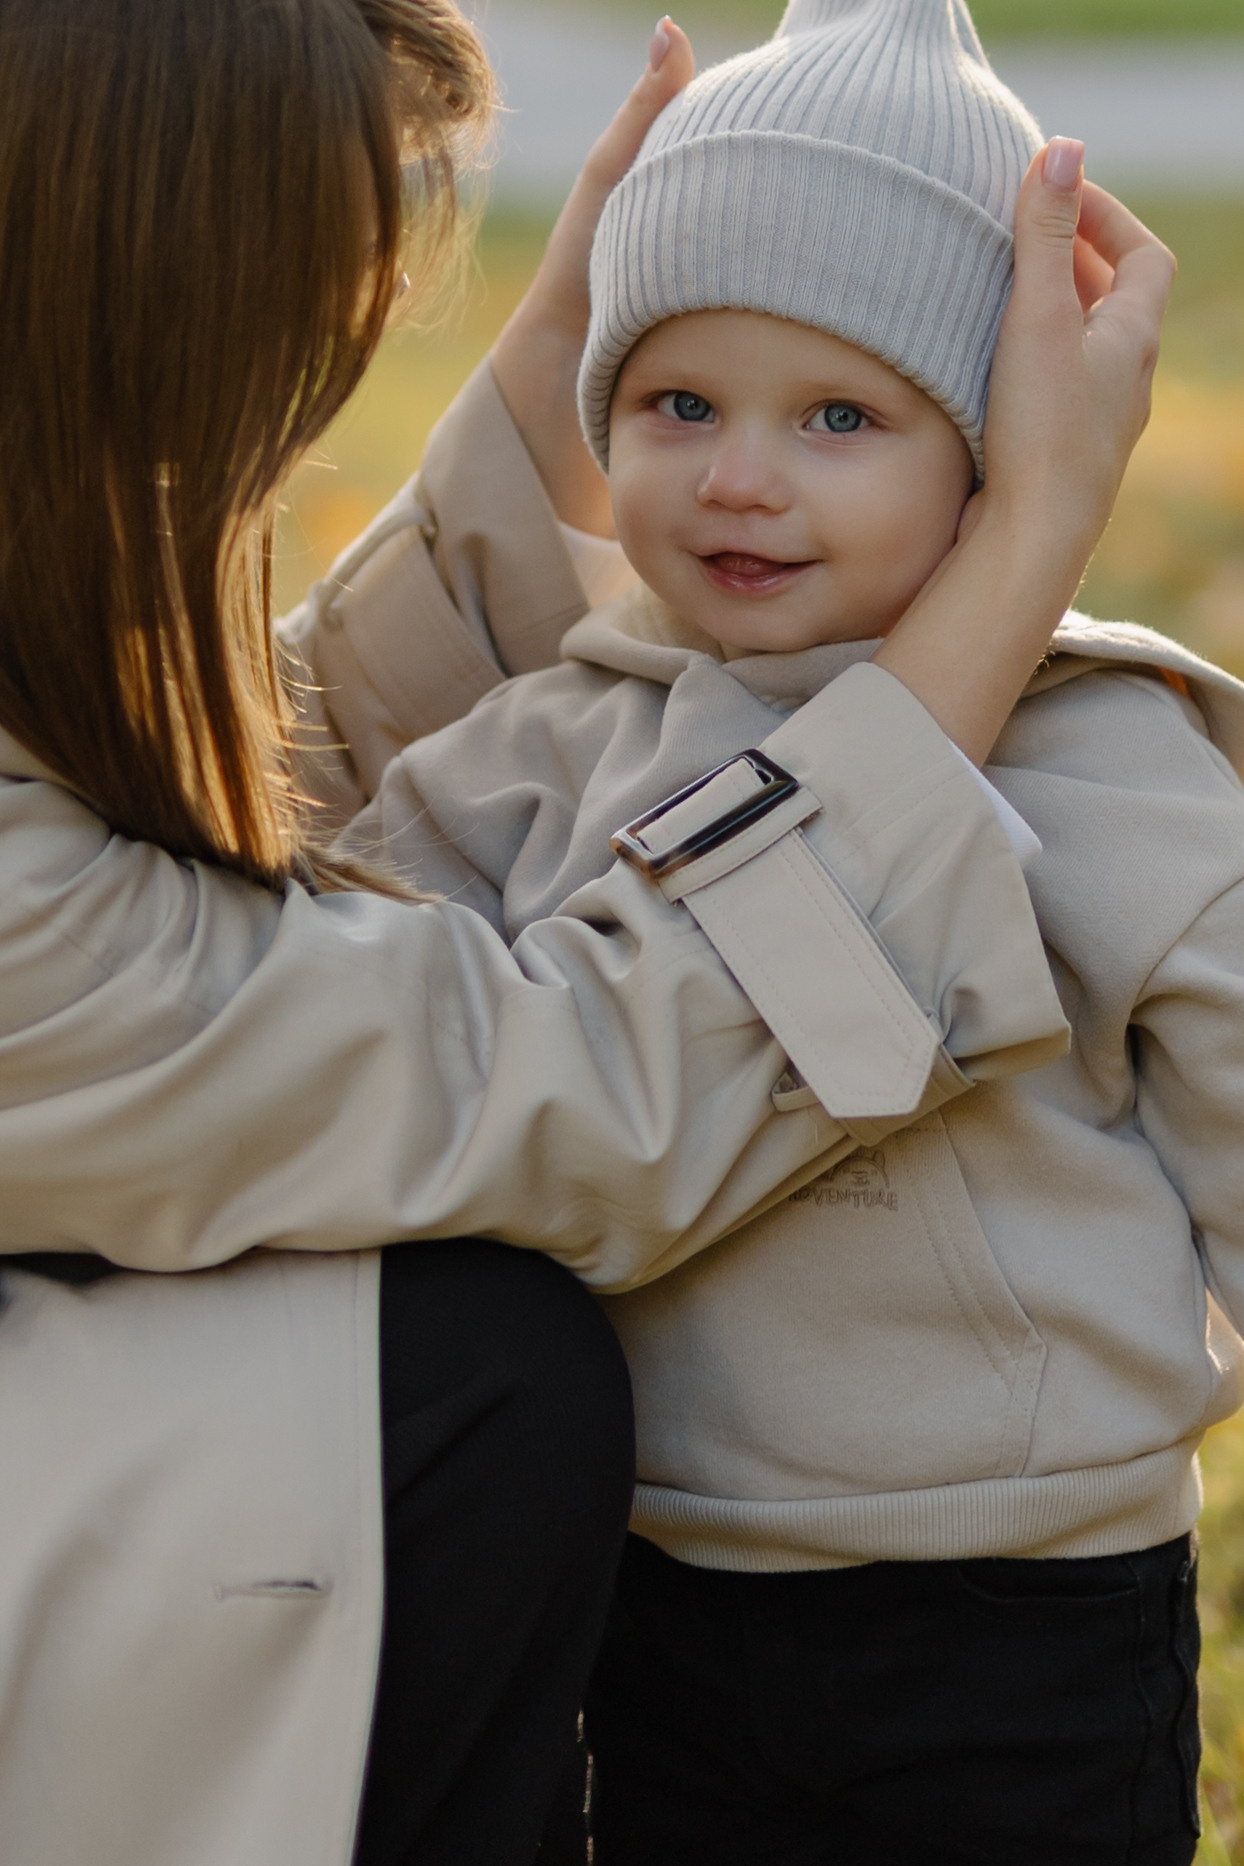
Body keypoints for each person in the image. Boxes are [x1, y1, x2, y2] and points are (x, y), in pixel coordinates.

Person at [0, 6, 1168, 1866]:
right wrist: (1018, 545)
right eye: (312, 285)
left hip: (1018, 1654)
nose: (358, 328)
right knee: (467, 1359)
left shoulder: (1141, 778)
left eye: (839, 413)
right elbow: (570, 1071)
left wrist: (581, 377)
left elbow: (217, 844)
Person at [318, 2, 1219, 1860]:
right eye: (679, 404)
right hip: (658, 1587)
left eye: (839, 416)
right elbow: (360, 987)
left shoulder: (1109, 762)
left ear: (999, 443)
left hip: (1023, 1613)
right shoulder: (545, 743)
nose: (741, 475)